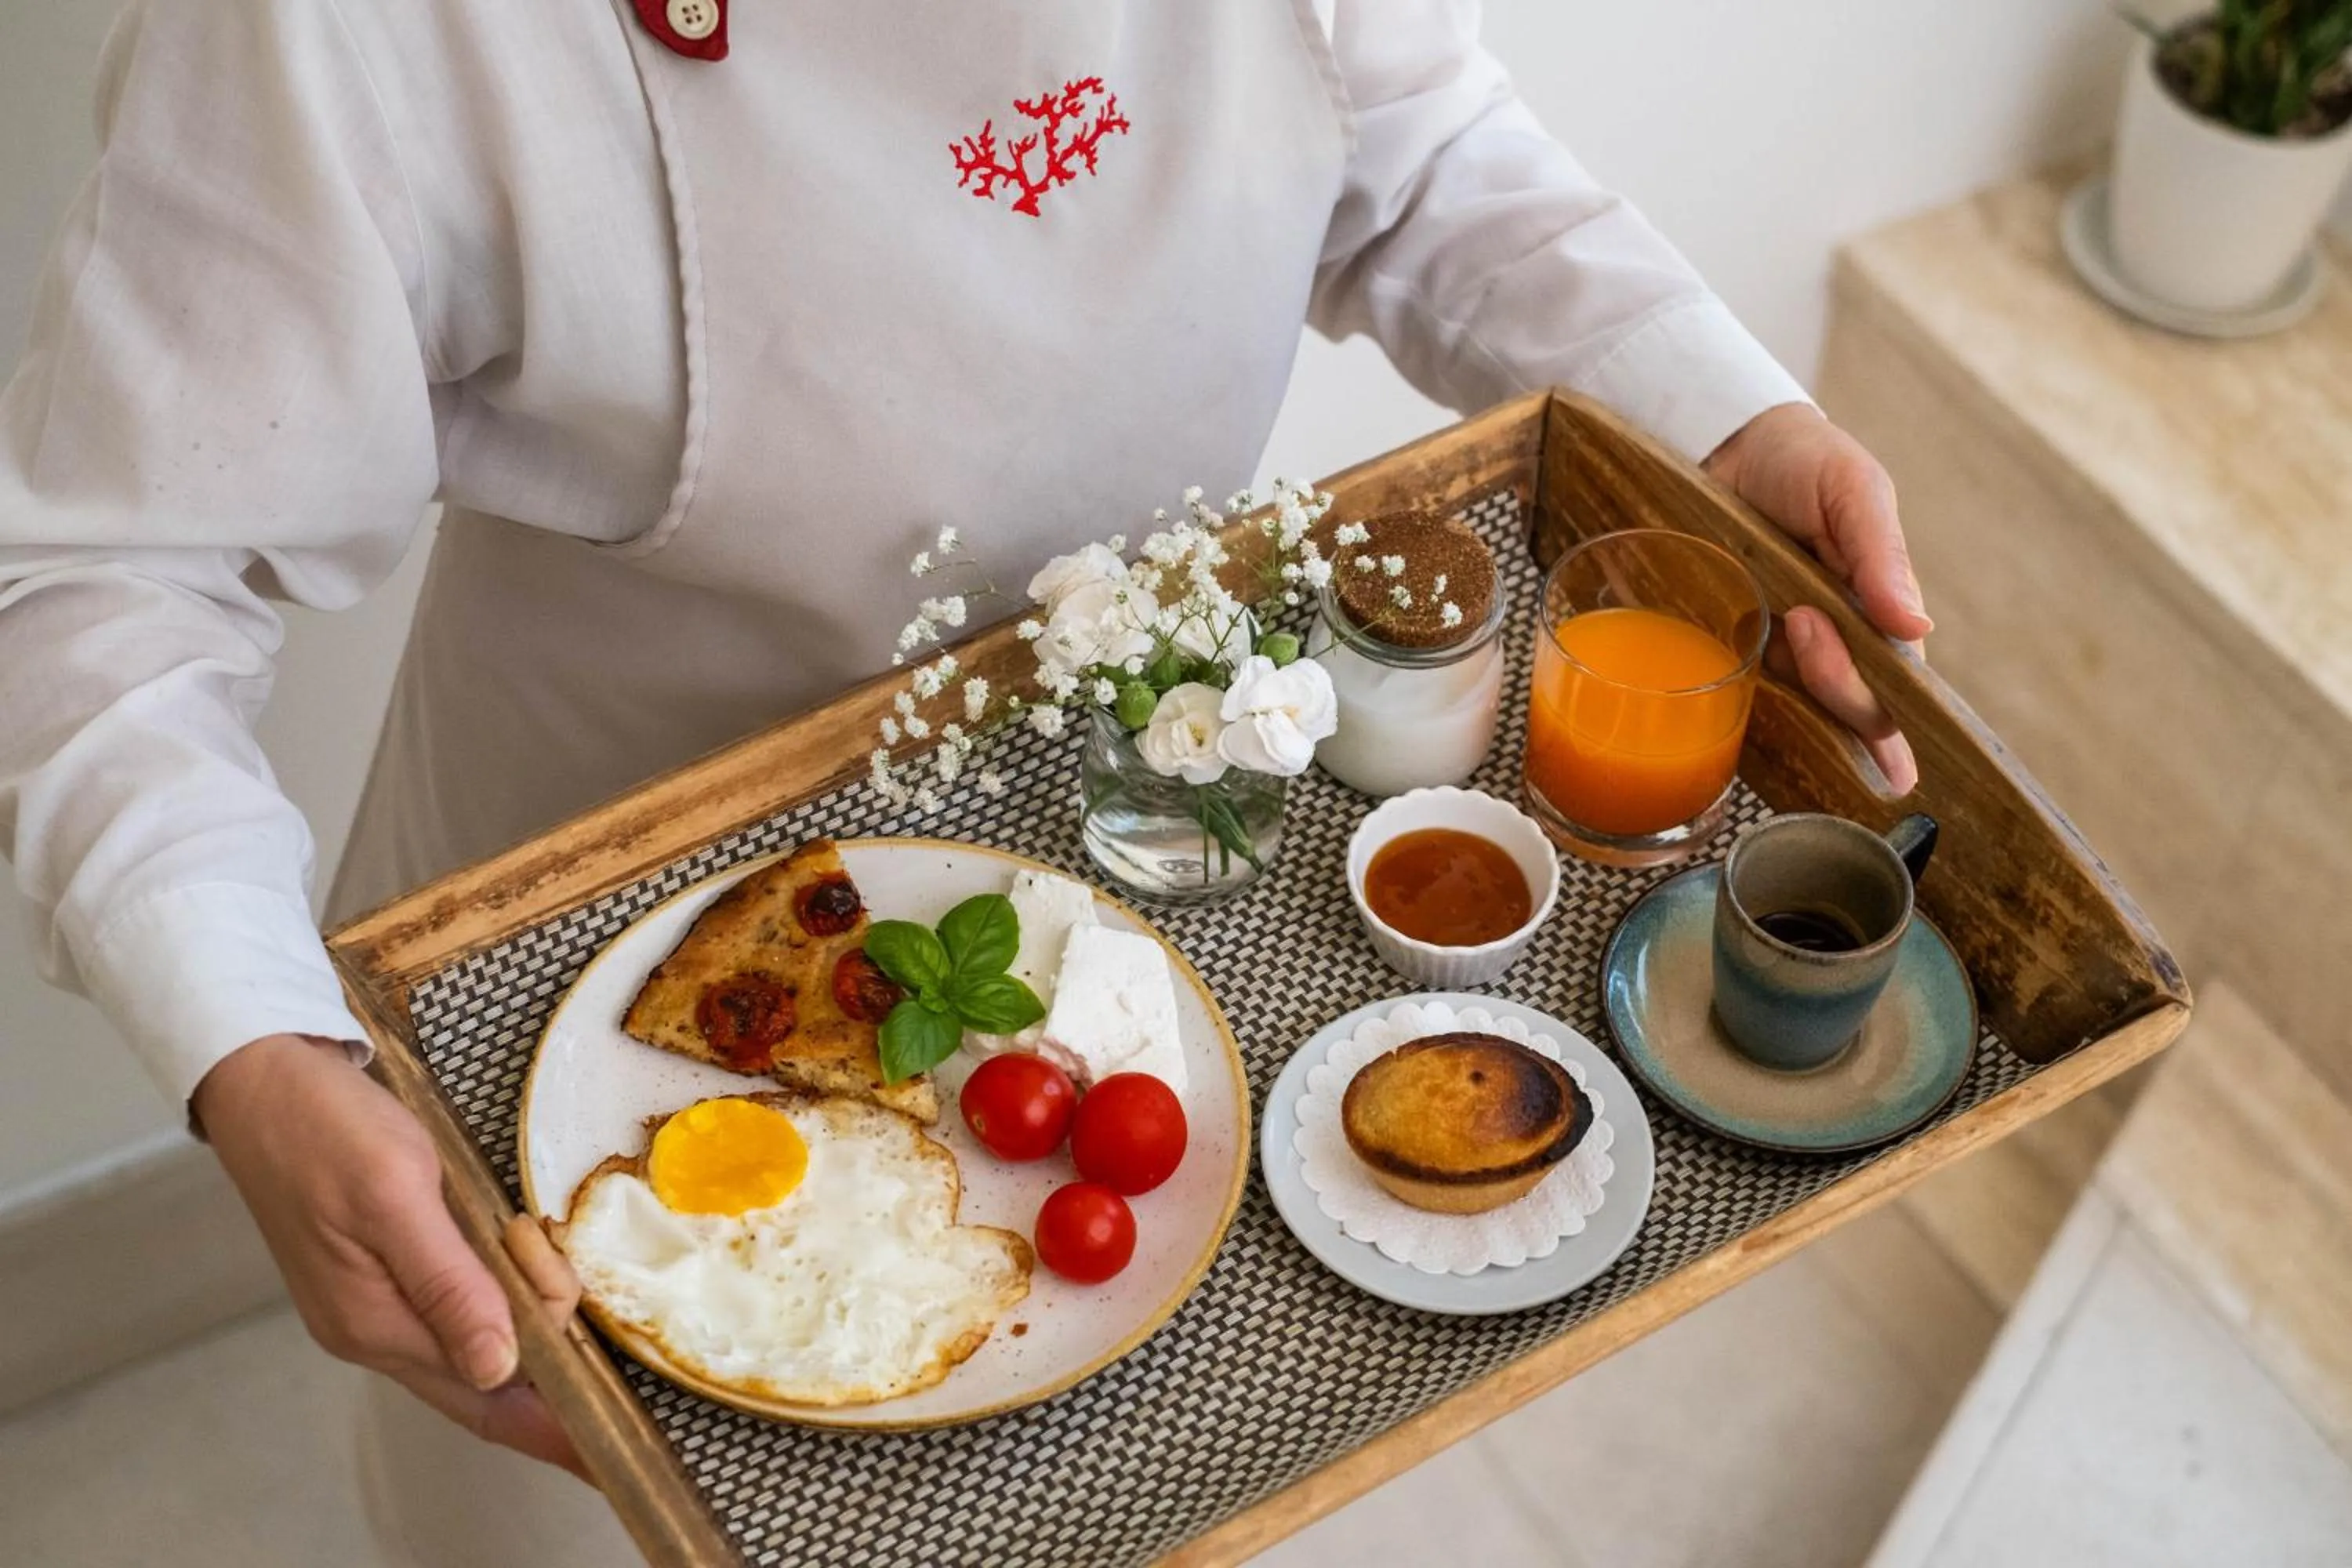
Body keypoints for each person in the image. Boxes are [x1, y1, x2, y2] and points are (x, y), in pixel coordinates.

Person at [0, 0, 1932, 1561]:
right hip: (596, 1005)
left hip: (1148, 895)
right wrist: (253, 1049)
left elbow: (1415, 152)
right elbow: (106, 576)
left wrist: (1714, 410)